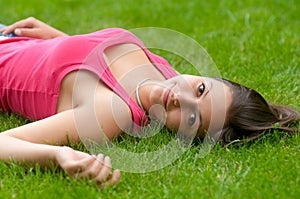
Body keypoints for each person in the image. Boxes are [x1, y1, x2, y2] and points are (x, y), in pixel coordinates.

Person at [0, 17, 299, 185]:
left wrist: (56, 155)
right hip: (14, 35)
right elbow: (81, 68)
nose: (178, 98)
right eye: (200, 90)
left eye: (192, 119)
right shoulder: (163, 70)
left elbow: (4, 143)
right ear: (206, 77)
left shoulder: (112, 111)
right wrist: (56, 39)